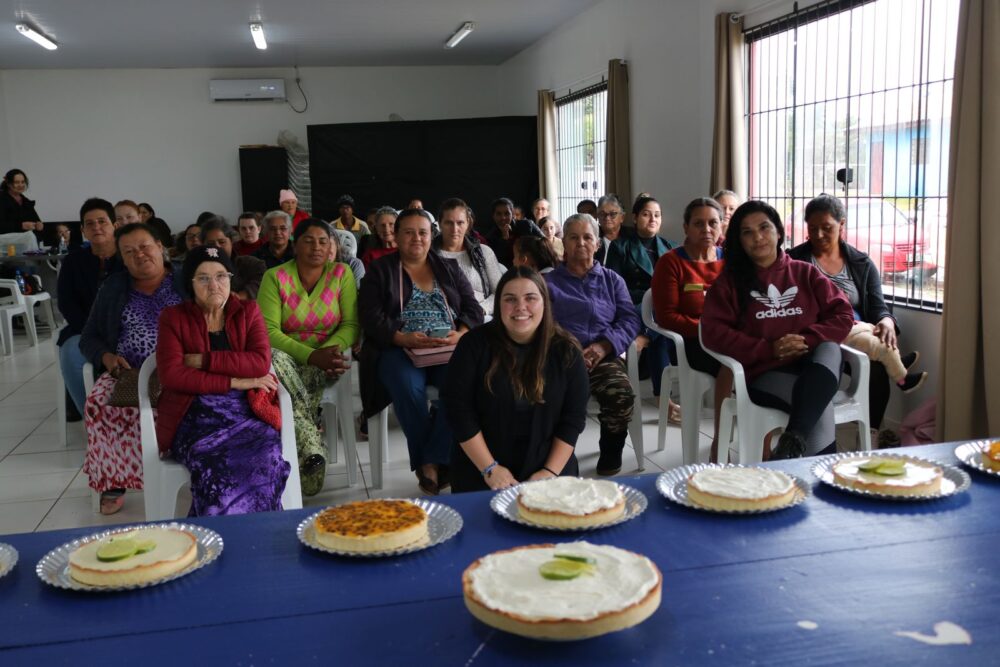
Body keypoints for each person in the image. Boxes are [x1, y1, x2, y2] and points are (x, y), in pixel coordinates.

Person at [701, 201, 854, 460]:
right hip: (766, 371)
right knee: (819, 410)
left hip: (814, 366)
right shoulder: (729, 283)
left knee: (829, 347)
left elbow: (843, 314)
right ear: (739, 240)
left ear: (779, 232)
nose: (758, 237)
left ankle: (791, 444)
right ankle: (797, 463)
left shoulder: (805, 273)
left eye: (764, 228)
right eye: (747, 232)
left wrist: (807, 339)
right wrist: (768, 348)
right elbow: (714, 333)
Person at [156, 246, 290, 516]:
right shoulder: (173, 318)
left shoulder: (248, 311)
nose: (214, 285)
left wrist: (204, 361)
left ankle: (261, 536)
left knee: (265, 458)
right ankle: (222, 540)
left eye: (221, 276)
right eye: (203, 278)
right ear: (190, 284)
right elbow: (172, 376)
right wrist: (235, 382)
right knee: (217, 468)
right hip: (194, 415)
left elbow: (259, 363)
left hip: (245, 412)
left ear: (230, 279)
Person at [358, 209, 484, 495]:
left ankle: (431, 460)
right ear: (396, 236)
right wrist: (400, 337)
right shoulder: (380, 270)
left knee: (460, 387)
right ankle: (434, 463)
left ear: (431, 236)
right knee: (406, 387)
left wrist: (461, 333)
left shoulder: (448, 269)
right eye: (409, 232)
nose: (417, 238)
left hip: (445, 348)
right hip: (398, 348)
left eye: (423, 232)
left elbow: (473, 309)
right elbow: (369, 315)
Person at [443, 267, 589, 492]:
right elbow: (458, 411)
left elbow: (573, 419)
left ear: (545, 303)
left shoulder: (567, 351)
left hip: (550, 465)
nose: (521, 307)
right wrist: (490, 469)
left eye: (531, 298)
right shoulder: (472, 346)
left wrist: (549, 472)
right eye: (510, 299)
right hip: (481, 466)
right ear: (498, 305)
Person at [788, 195, 926, 429]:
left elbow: (878, 306)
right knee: (872, 352)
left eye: (826, 228)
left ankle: (870, 434)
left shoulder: (861, 263)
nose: (819, 234)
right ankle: (899, 369)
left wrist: (887, 322)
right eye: (812, 228)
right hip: (817, 335)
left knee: (877, 366)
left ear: (842, 225)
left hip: (854, 330)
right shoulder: (794, 260)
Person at [80, 222, 185, 514]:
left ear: (160, 247)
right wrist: (106, 358)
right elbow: (88, 337)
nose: (139, 255)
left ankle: (187, 468)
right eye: (129, 251)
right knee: (101, 405)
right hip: (128, 372)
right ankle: (114, 481)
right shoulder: (113, 287)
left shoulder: (184, 279)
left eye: (145, 247)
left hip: (181, 369)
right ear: (122, 259)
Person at [258, 218, 359, 496]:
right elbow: (268, 332)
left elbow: (351, 325)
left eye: (323, 241)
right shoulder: (275, 277)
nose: (317, 247)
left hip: (329, 354)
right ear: (295, 244)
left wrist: (330, 351)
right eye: (308, 240)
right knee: (274, 358)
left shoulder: (341, 274)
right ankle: (313, 442)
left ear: (331, 247)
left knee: (296, 379)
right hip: (289, 358)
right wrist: (313, 356)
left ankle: (304, 442)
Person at [545, 213, 641, 476]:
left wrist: (604, 346)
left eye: (588, 237)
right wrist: (567, 347)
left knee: (620, 394)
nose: (581, 243)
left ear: (597, 244)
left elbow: (630, 320)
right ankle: (555, 459)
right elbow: (540, 323)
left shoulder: (612, 280)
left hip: (603, 356)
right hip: (560, 358)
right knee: (546, 399)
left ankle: (610, 453)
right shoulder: (548, 283)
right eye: (574, 238)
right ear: (563, 242)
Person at [651, 197, 731, 461]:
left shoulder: (730, 260)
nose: (706, 229)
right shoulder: (671, 263)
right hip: (691, 343)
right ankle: (721, 440)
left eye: (713, 223)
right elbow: (667, 316)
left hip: (728, 338)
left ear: (721, 226)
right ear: (686, 227)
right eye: (699, 223)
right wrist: (707, 329)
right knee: (731, 364)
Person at [606, 195, 676, 405]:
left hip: (660, 309)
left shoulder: (671, 248)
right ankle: (663, 398)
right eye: (646, 214)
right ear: (635, 218)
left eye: (657, 215)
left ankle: (644, 337)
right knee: (660, 326)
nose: (652, 219)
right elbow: (613, 286)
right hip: (632, 306)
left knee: (660, 327)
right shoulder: (621, 246)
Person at [57, 198, 124, 414]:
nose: (96, 227)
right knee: (69, 352)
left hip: (126, 330)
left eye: (102, 221)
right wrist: (91, 331)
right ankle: (92, 421)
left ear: (114, 225)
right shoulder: (73, 261)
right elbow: (67, 303)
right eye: (90, 223)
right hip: (84, 330)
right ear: (83, 230)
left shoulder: (129, 256)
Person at [433, 198, 505, 317]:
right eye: (448, 223)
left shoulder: (483, 252)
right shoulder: (429, 254)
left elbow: (500, 292)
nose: (454, 229)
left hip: (480, 316)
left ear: (467, 223)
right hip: (442, 319)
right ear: (440, 223)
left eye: (460, 223)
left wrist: (480, 310)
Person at [199, 217, 266, 300]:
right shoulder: (198, 270)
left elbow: (262, 281)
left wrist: (241, 296)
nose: (217, 247)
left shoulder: (251, 264)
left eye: (222, 242)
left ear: (231, 242)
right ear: (203, 246)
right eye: (210, 244)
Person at [481, 197, 543, 268]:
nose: (503, 217)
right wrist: (504, 238)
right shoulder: (490, 237)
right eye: (499, 214)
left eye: (507, 213)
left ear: (512, 214)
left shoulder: (527, 225)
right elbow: (497, 261)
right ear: (493, 216)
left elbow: (544, 243)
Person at [0, 168, 43, 235]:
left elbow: (36, 220)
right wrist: (21, 226)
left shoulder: (26, 201)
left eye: (22, 182)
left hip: (25, 242)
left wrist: (39, 224)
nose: (20, 185)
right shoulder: (2, 199)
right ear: (8, 184)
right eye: (17, 182)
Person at [594, 194, 625, 265]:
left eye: (613, 214)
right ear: (598, 217)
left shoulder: (631, 238)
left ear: (622, 217)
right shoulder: (593, 237)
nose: (607, 218)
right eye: (602, 214)